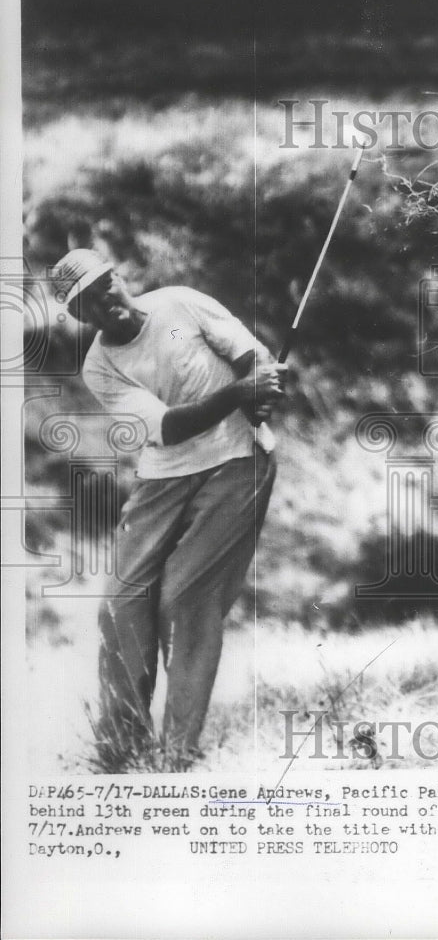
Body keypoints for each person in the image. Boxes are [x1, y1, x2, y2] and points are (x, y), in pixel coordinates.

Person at [53, 248, 286, 769]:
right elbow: (170, 427)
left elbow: (250, 354)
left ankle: (178, 754)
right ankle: (121, 750)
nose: (102, 302)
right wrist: (238, 394)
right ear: (77, 316)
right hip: (162, 476)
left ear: (118, 276)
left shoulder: (180, 308)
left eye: (103, 286)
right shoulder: (101, 366)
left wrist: (259, 390)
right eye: (85, 302)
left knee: (183, 600)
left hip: (235, 461)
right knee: (120, 603)